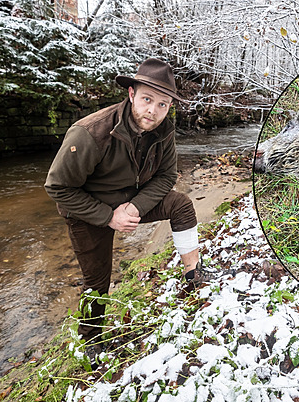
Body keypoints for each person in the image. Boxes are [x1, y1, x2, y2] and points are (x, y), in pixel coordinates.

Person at [45, 58, 201, 348]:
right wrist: (108, 216)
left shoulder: (164, 130)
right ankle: (91, 343)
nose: (153, 110)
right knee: (97, 281)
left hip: (132, 199)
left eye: (163, 104)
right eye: (146, 99)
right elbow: (57, 188)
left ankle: (194, 273)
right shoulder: (90, 133)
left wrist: (135, 207)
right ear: (131, 94)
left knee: (181, 205)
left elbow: (168, 176)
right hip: (88, 210)